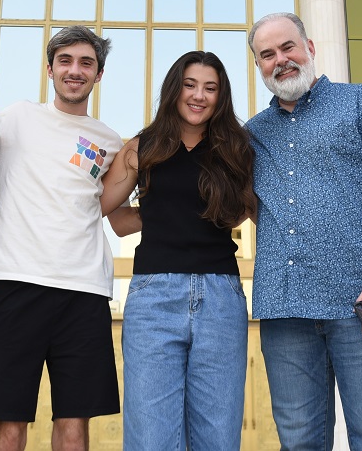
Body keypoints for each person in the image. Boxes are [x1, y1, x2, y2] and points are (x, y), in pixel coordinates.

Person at [245, 12, 362, 451]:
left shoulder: (361, 102)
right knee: (299, 443)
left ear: (310, 47)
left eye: (288, 47)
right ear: (259, 66)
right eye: (267, 55)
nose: (280, 60)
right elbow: (245, 206)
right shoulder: (250, 135)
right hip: (285, 313)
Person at [0, 26, 132, 451]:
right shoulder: (15, 119)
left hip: (85, 293)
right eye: (66, 61)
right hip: (16, 287)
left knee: (74, 427)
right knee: (8, 425)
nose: (75, 71)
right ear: (49, 68)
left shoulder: (110, 142)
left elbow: (110, 210)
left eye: (86, 63)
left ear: (99, 75)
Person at [100, 50, 256, 451]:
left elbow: (244, 211)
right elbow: (111, 213)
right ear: (174, 89)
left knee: (217, 437)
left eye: (210, 88)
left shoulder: (236, 149)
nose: (199, 96)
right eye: (190, 85)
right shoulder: (142, 147)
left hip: (221, 298)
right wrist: (157, 213)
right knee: (151, 437)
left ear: (221, 97)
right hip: (154, 298)